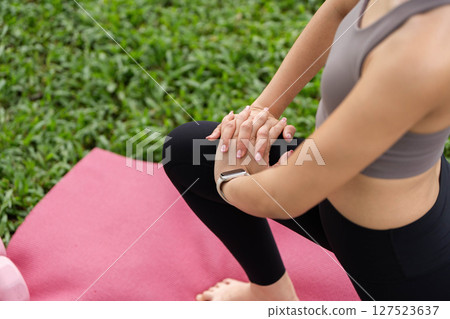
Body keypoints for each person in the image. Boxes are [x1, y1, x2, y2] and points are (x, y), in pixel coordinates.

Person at [162, 0, 450, 301]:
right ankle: (271, 294)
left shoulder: (424, 52)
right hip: (352, 205)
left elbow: (288, 194)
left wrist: (230, 178)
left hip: (397, 253)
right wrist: (263, 111)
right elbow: (339, 10)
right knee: (187, 151)